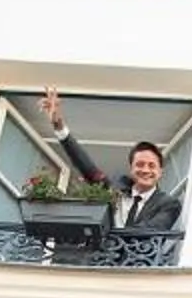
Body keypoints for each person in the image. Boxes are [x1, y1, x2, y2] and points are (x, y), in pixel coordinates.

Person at [40, 87, 182, 233]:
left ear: (160, 172)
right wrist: (59, 126)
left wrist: (111, 237)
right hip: (101, 256)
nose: (145, 170)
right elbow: (86, 167)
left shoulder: (168, 204)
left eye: (152, 166)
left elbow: (151, 232)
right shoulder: (114, 189)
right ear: (131, 169)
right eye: (140, 164)